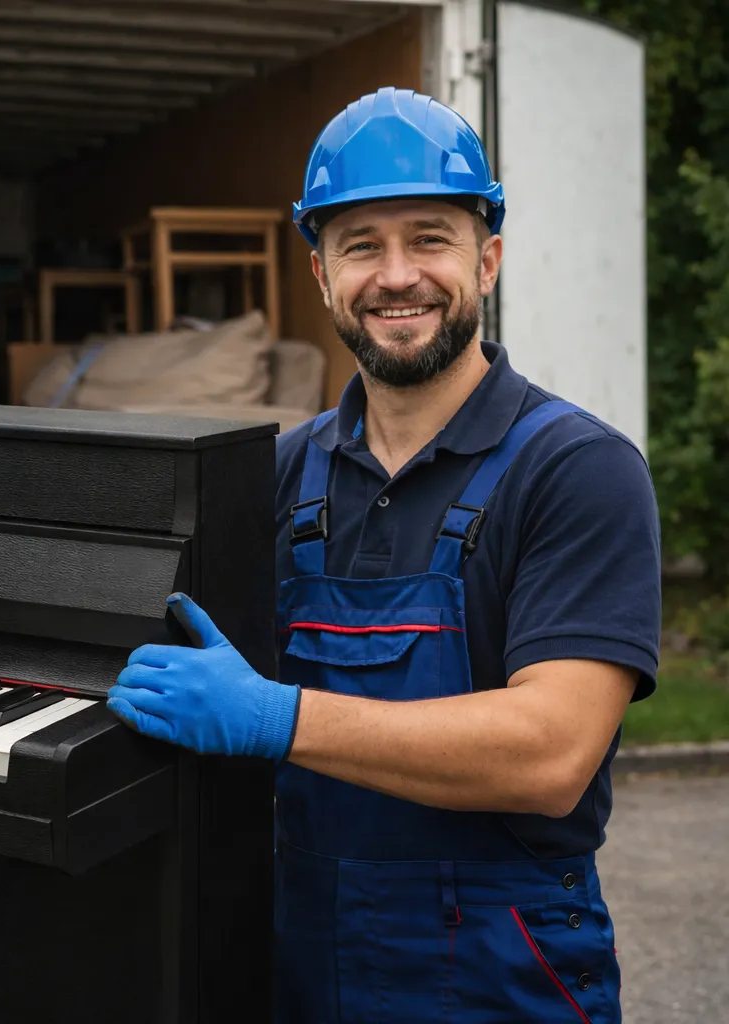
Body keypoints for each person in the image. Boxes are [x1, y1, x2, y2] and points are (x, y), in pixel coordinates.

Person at [107, 87, 661, 1023]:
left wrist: (278, 719)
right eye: (361, 244)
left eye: (429, 238)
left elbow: (552, 752)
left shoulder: (579, 471)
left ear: (485, 261)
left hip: (503, 974)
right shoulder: (278, 476)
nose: (397, 275)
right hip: (295, 958)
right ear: (320, 275)